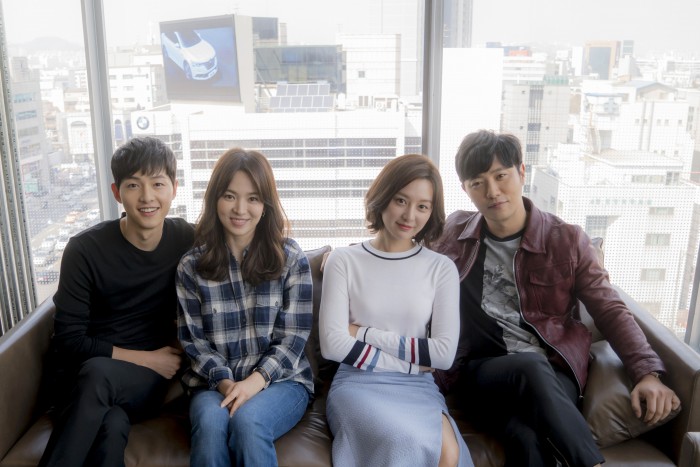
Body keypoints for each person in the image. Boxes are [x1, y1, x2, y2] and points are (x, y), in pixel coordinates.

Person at [432, 130, 681, 467]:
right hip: (484, 372)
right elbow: (404, 259)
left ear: (521, 172)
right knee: (528, 366)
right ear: (466, 189)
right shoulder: (455, 234)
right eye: (478, 183)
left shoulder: (566, 240)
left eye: (501, 176)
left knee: (526, 437)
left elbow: (609, 308)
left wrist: (647, 373)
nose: (492, 191)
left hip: (553, 373)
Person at [39, 136, 194, 467]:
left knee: (100, 376)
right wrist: (148, 359)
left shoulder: (187, 239)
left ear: (174, 189)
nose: (147, 197)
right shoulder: (84, 250)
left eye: (158, 184)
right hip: (83, 376)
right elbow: (69, 340)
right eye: (134, 185)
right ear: (116, 192)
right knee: (111, 425)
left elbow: (241, 236)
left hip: (141, 384)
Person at [320, 154, 474, 467]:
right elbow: (333, 345)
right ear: (383, 197)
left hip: (418, 387)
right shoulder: (344, 261)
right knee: (402, 440)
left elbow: (443, 355)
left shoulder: (441, 268)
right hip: (358, 382)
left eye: (422, 206)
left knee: (450, 456)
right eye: (401, 200)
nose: (409, 215)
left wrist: (363, 332)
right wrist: (413, 364)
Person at [176, 148, 313, 467]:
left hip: (282, 382)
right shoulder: (191, 266)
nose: (240, 209)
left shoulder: (291, 259)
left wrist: (254, 382)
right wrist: (228, 384)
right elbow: (194, 343)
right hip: (212, 385)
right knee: (211, 425)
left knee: (248, 422)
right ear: (215, 199)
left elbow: (293, 338)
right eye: (229, 196)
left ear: (266, 205)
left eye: (253, 198)